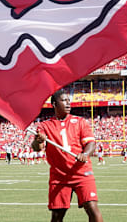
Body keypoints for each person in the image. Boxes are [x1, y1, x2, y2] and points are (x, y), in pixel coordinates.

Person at [32, 89, 103, 222]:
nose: (68, 104)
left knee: (92, 208)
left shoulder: (80, 122)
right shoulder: (44, 126)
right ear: (54, 104)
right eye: (64, 100)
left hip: (81, 172)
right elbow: (37, 148)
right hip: (59, 176)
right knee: (57, 216)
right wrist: (38, 140)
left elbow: (91, 143)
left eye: (69, 101)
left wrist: (85, 154)